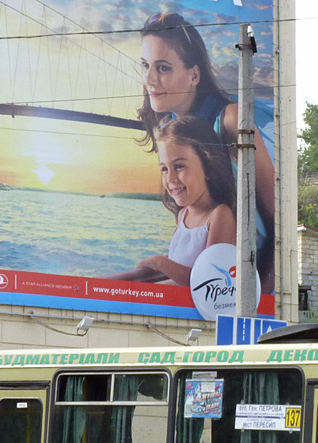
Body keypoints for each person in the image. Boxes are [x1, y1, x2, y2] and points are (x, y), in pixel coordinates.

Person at [136, 12, 276, 291]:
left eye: (163, 68)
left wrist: (268, 287)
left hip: (242, 283)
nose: (149, 79)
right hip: (207, 284)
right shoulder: (170, 128)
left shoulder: (231, 119)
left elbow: (276, 211)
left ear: (194, 75)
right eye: (145, 65)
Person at [112, 117, 236, 285]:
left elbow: (209, 279)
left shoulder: (219, 215)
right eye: (164, 169)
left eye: (179, 166)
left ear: (208, 167)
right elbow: (180, 262)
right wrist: (165, 263)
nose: (170, 178)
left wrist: (160, 263)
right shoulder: (183, 215)